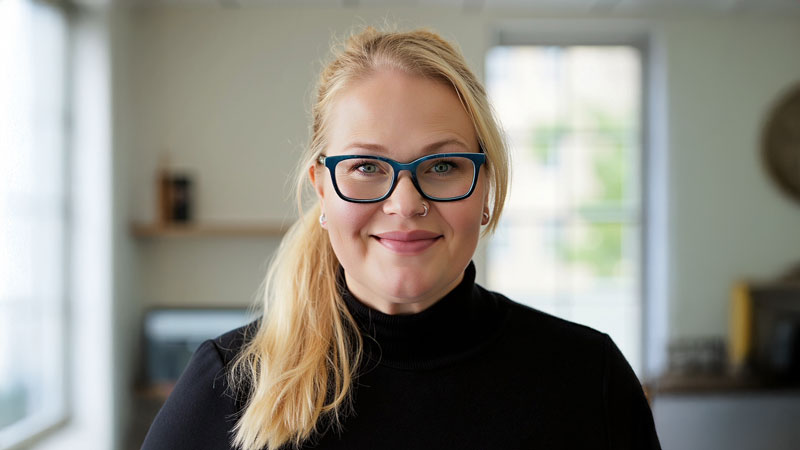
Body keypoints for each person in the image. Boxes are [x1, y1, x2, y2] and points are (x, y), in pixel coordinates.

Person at [142, 26, 661, 450]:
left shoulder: (587, 380)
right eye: (367, 165)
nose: (406, 203)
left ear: (485, 189)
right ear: (323, 192)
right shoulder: (227, 387)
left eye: (442, 164)